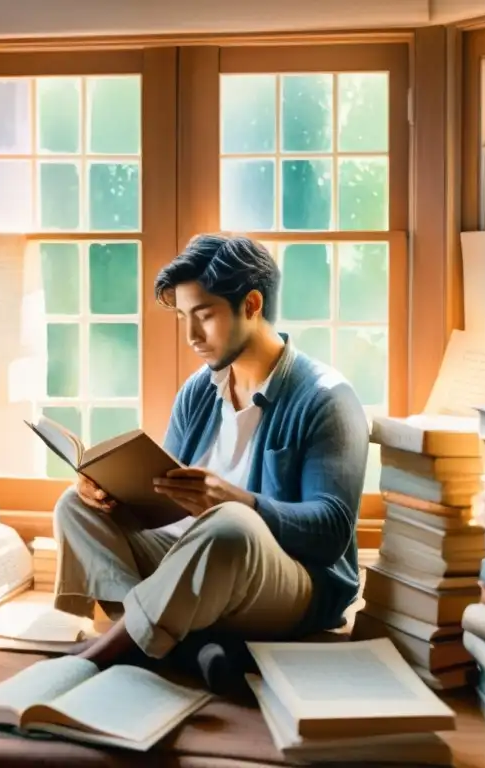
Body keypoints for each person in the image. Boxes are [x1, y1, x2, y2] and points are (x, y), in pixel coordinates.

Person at [52, 233, 370, 690]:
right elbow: (163, 507)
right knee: (73, 505)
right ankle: (182, 647)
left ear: (252, 304)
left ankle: (104, 655)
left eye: (204, 316)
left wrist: (240, 501)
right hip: (205, 565)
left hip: (294, 582)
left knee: (231, 525)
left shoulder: (327, 398)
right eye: (184, 318)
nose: (191, 336)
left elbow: (331, 531)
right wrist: (112, 495)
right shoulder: (199, 391)